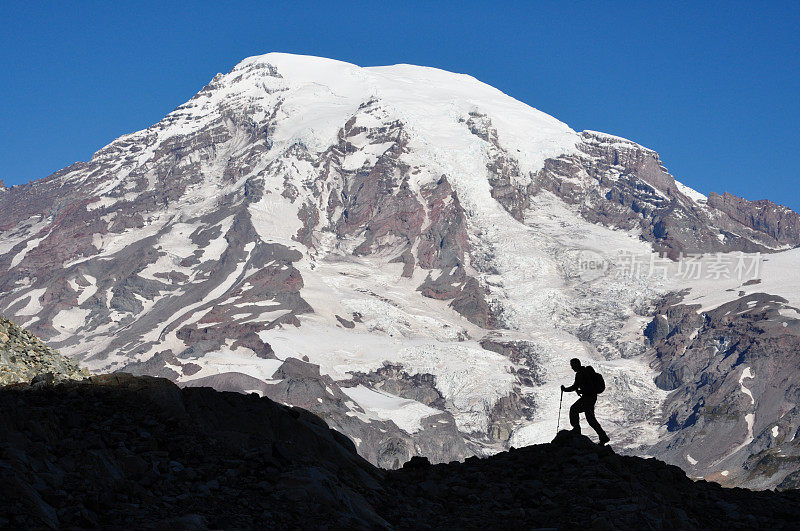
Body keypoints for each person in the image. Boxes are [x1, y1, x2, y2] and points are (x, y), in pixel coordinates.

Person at [561, 358, 610, 445]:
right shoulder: (585, 372)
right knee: (590, 418)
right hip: (591, 397)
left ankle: (576, 429)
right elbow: (580, 387)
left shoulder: (581, 373)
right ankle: (603, 437)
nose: (572, 368)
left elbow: (576, 387)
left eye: (572, 366)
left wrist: (565, 389)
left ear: (577, 364)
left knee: (574, 409)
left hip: (588, 397)